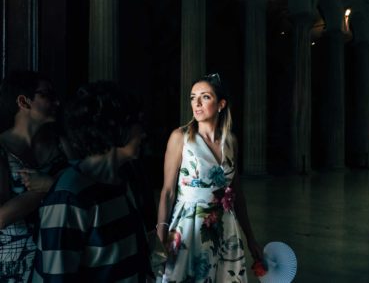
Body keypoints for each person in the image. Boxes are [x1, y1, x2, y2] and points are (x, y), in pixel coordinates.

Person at [32, 81, 153, 282]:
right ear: (115, 126)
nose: (143, 133)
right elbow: (57, 277)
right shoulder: (70, 195)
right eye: (137, 123)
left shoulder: (124, 181)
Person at [156, 73, 262, 282]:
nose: (196, 103)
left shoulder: (230, 141)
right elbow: (167, 192)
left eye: (205, 97)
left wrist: (251, 239)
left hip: (226, 227)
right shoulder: (180, 137)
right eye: (192, 97)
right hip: (188, 227)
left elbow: (237, 194)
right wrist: (160, 240)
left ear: (221, 104)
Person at [0, 70, 68, 282]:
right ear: (23, 101)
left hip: (59, 256)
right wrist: (53, 186)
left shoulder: (61, 145)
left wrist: (52, 184)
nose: (57, 102)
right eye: (47, 95)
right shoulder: (2, 150)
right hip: (14, 267)